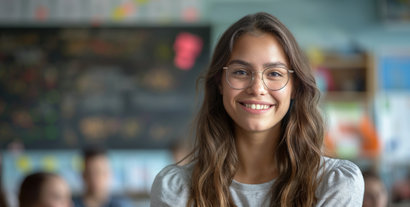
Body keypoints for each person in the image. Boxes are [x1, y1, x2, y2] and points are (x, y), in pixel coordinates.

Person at [150, 12, 364, 207]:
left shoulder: (334, 183)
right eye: (241, 72)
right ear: (219, 83)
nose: (257, 89)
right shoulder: (177, 189)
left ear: (295, 87)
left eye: (274, 73)